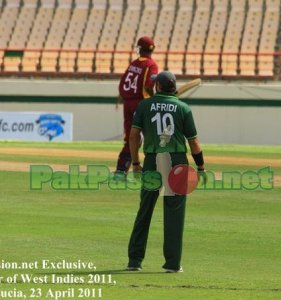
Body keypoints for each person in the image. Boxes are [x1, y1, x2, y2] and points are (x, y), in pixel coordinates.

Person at [126, 71, 206, 273]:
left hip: (153, 160)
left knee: (145, 210)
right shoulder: (183, 108)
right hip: (177, 162)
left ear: (159, 87)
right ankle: (172, 264)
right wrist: (201, 167)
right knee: (174, 213)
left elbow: (134, 136)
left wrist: (135, 163)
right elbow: (194, 142)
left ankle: (134, 261)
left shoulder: (144, 106)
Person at [115, 36, 158, 175]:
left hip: (127, 103)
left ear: (139, 49)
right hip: (140, 104)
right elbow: (149, 86)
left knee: (131, 138)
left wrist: (120, 99)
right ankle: (150, 170)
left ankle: (121, 171)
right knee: (151, 137)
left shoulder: (133, 64)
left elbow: (123, 83)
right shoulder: (151, 65)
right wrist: (156, 99)